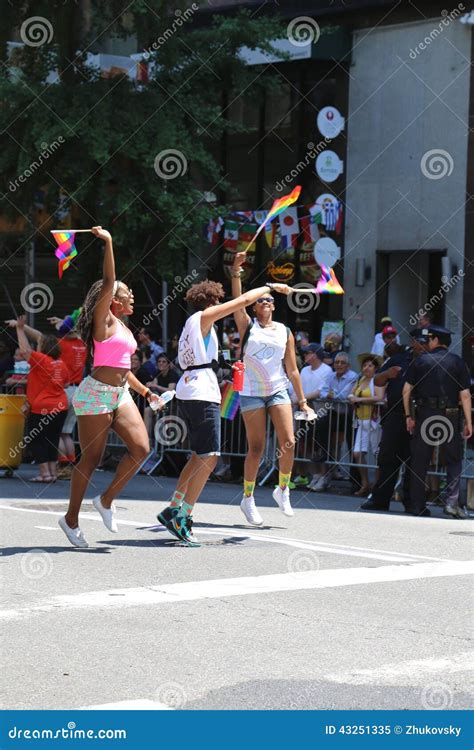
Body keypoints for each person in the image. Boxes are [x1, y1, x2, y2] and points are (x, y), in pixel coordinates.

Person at [157, 272, 302, 545]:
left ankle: (174, 506)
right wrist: (270, 286)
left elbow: (205, 361)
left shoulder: (198, 327)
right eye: (219, 301)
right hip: (200, 391)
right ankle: (184, 515)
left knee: (198, 454)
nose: (224, 304)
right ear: (211, 302)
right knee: (210, 456)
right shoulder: (204, 318)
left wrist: (228, 368)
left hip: (191, 385)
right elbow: (244, 300)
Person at [58, 227, 163, 548]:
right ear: (113, 301)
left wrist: (146, 392)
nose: (132, 295)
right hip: (95, 395)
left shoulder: (123, 327)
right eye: (127, 291)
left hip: (122, 394)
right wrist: (108, 242)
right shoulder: (103, 321)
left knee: (142, 449)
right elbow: (108, 281)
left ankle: (105, 501)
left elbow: (122, 369)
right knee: (91, 460)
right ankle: (71, 519)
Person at [229, 252, 315, 526]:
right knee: (255, 448)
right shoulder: (247, 326)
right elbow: (236, 302)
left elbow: (292, 369)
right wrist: (236, 272)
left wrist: (301, 400)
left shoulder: (284, 331)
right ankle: (248, 497)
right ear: (255, 307)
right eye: (262, 301)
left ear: (274, 307)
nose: (266, 302)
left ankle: (283, 489)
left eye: (270, 300)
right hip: (252, 391)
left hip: (277, 389)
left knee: (288, 440)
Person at [403, 325, 472, 519]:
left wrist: (409, 416)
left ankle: (418, 505)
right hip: (449, 415)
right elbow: (465, 396)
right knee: (453, 460)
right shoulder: (457, 362)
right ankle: (451, 503)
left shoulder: (421, 361)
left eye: (429, 339)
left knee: (420, 460)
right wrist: (469, 421)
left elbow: (406, 391)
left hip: (425, 415)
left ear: (434, 341)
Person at [7, 316, 69, 482]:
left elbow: (25, 350)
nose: (38, 346)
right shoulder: (60, 363)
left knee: (36, 439)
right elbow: (66, 383)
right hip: (61, 406)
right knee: (52, 439)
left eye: (40, 344)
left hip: (43, 407)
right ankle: (52, 473)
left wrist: (20, 329)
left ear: (45, 348)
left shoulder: (42, 360)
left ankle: (45, 474)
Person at [361, 340, 414, 513]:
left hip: (419, 417)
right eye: (417, 341)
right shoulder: (399, 359)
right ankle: (380, 500)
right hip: (395, 416)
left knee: (414, 461)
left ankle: (413, 503)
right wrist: (388, 374)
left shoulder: (430, 360)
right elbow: (377, 379)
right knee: (387, 459)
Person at [312, 352, 358, 492]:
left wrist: (333, 395)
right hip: (334, 413)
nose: (339, 365)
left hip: (349, 415)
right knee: (319, 425)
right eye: (337, 362)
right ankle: (324, 462)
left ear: (348, 365)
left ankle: (356, 480)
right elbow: (324, 392)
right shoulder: (330, 376)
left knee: (353, 444)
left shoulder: (353, 376)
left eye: (342, 363)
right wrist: (330, 395)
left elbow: (346, 395)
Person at [290, 343, 332, 490]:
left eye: (308, 353)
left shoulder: (327, 370)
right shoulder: (305, 370)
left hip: (320, 413)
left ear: (315, 354)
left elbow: (321, 392)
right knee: (305, 445)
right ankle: (313, 474)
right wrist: (294, 400)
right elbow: (298, 388)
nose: (305, 355)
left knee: (320, 446)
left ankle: (323, 475)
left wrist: (300, 399)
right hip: (304, 412)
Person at [348, 353, 384, 496]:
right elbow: (350, 394)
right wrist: (353, 398)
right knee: (357, 453)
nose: (367, 368)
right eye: (365, 365)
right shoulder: (360, 380)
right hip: (361, 420)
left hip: (374, 420)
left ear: (375, 368)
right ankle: (365, 483)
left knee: (377, 453)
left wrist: (359, 400)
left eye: (370, 365)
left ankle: (377, 485)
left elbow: (379, 397)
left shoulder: (377, 380)